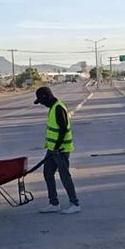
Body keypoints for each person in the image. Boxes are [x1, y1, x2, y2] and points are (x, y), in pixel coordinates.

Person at [34, 86, 80, 214]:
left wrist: (57, 147)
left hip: (61, 150)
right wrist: (52, 148)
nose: (42, 104)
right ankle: (54, 203)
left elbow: (63, 129)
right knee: (47, 173)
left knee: (64, 175)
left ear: (46, 97)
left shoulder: (58, 108)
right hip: (52, 149)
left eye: (42, 101)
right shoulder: (53, 107)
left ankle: (75, 204)